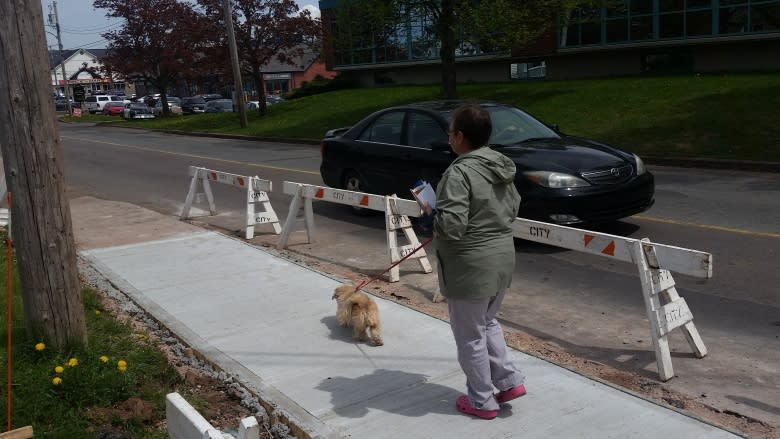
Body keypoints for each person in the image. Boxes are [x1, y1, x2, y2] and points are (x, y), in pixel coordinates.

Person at [424, 103, 526, 420]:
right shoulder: (501, 166)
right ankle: (508, 381)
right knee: (487, 321)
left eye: (450, 131)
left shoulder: (459, 172)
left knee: (469, 335)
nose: (449, 137)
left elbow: (452, 226)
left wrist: (430, 220)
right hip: (501, 257)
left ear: (459, 136)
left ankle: (482, 401)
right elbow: (513, 207)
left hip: (470, 265)